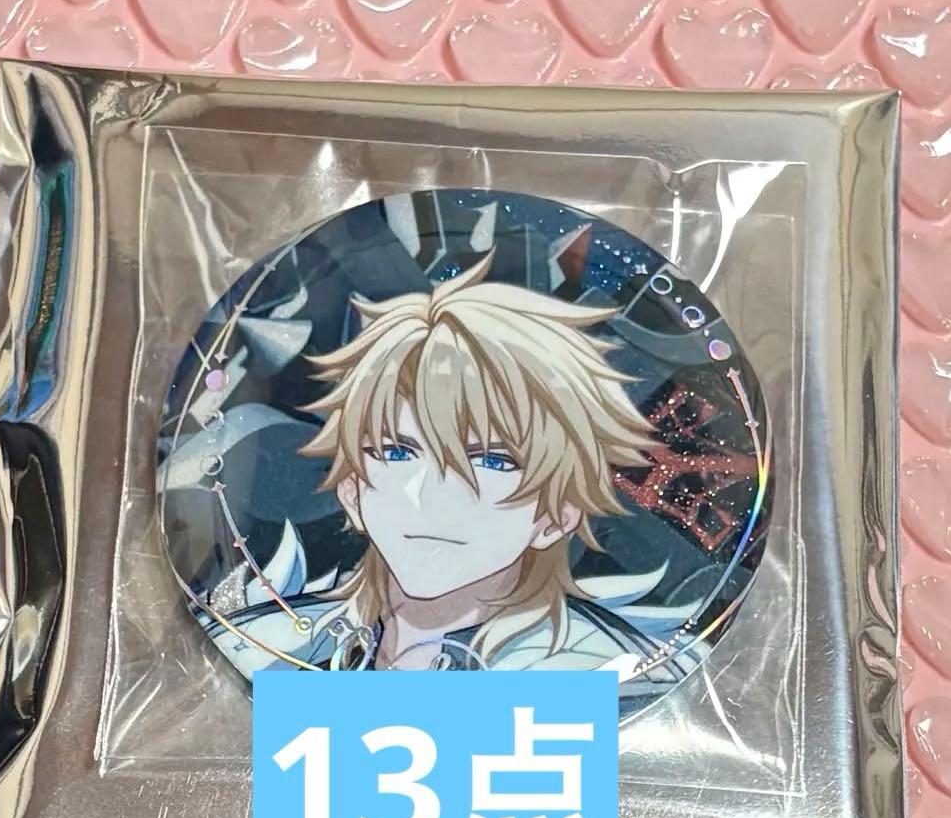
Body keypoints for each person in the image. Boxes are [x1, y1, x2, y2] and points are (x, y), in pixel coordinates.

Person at [206, 250, 701, 688]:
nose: (433, 495)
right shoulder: (265, 645)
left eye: (492, 461)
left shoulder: (605, 677)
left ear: (557, 515)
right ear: (353, 490)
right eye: (397, 452)